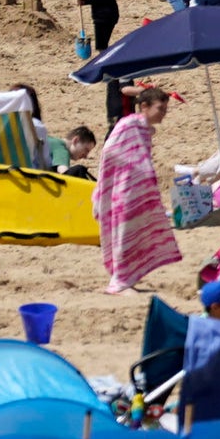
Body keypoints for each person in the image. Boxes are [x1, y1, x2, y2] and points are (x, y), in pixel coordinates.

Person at [93, 84, 181, 296]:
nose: (163, 114)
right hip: (124, 189)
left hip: (137, 190)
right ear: (144, 106)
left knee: (135, 234)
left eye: (165, 110)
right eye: (160, 108)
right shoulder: (130, 123)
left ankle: (126, 279)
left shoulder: (144, 128)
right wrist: (136, 168)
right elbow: (110, 151)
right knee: (124, 234)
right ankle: (120, 282)